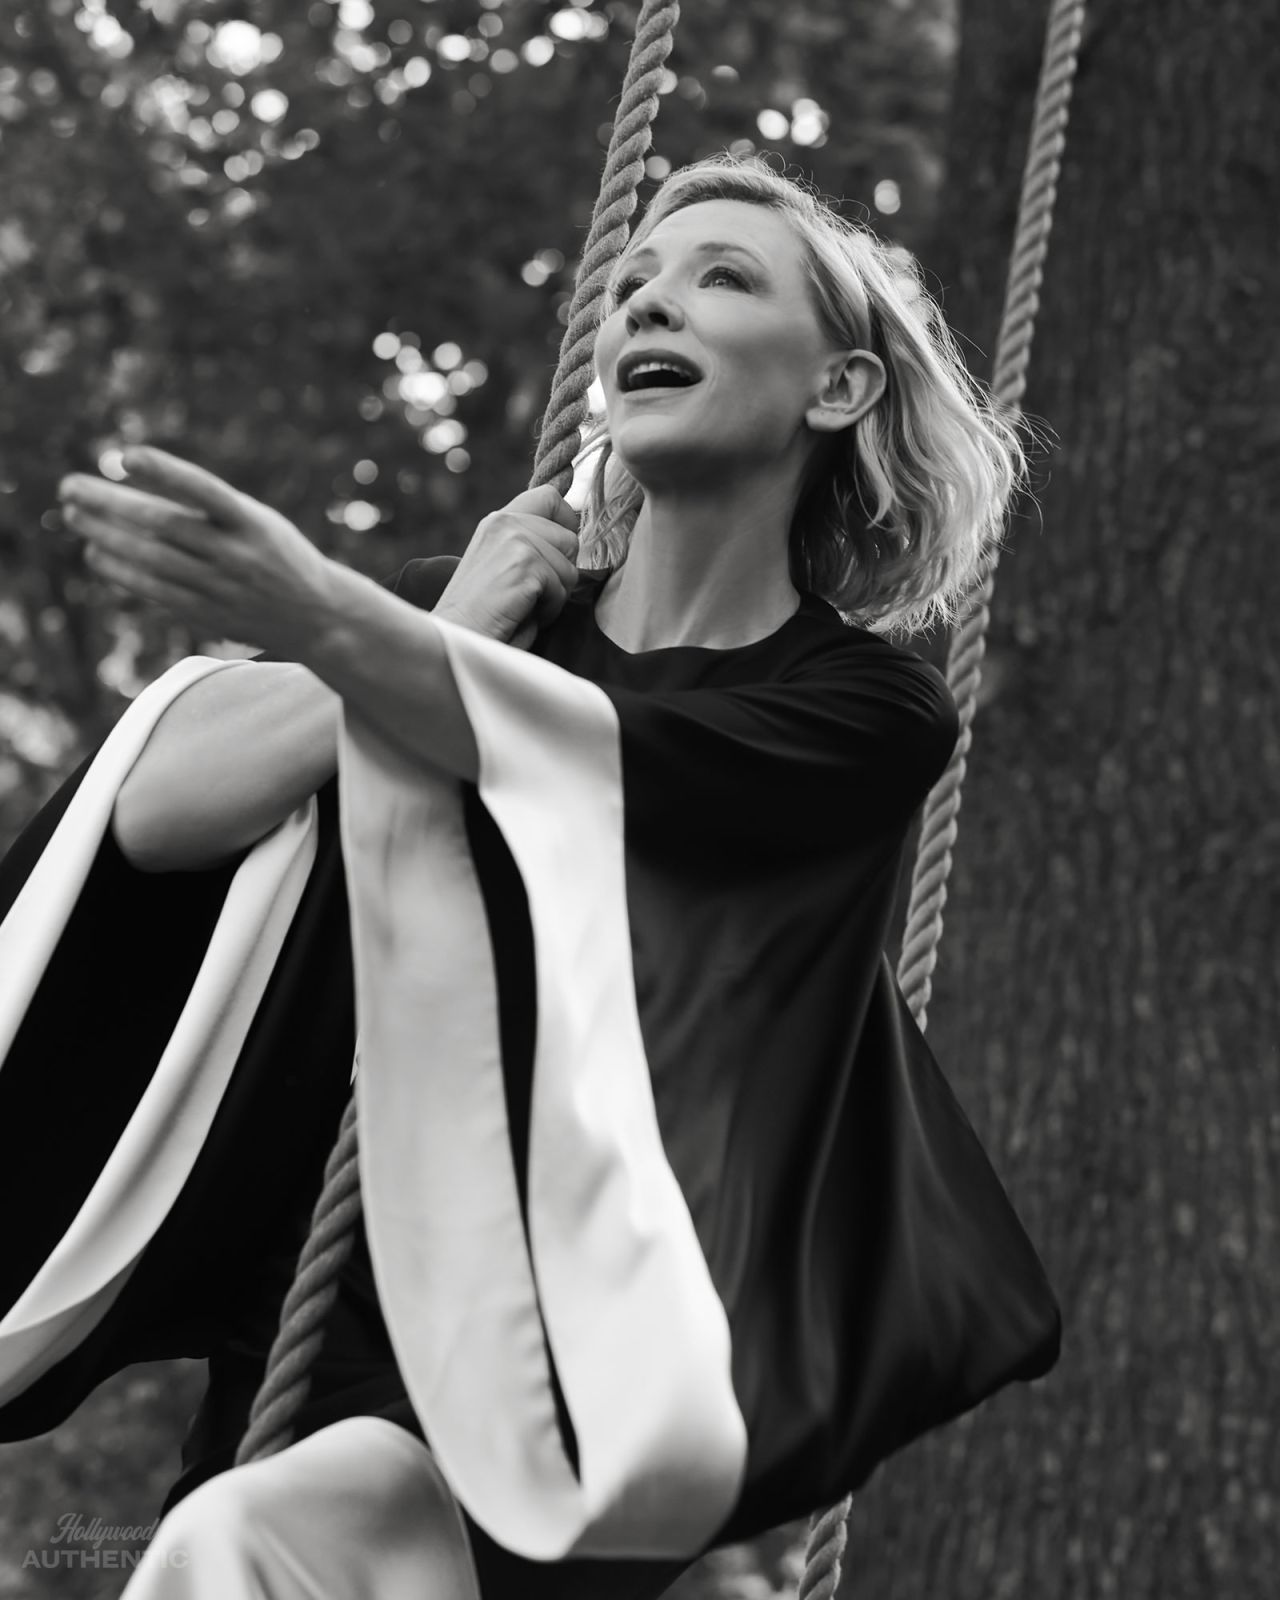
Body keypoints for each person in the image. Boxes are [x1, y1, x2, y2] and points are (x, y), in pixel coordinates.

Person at [0, 154, 1059, 1598]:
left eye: (722, 278)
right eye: (633, 283)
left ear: (840, 388)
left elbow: (593, 775)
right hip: (324, 1326)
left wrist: (355, 627)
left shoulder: (862, 710)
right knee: (231, 1540)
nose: (648, 304)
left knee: (241, 1548)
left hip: (580, 1365)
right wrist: (441, 622)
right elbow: (158, 810)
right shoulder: (470, 620)